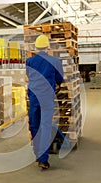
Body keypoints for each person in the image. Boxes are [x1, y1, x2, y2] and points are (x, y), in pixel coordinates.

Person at [26, 34, 64, 169]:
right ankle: (43, 159)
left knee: (34, 124)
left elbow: (29, 76)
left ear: (36, 47)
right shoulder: (55, 62)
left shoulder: (29, 62)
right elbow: (60, 78)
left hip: (34, 96)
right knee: (46, 126)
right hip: (47, 97)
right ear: (48, 47)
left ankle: (37, 153)